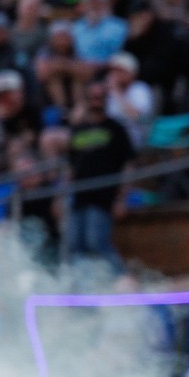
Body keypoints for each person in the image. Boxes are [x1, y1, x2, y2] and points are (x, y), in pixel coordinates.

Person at [56, 78, 132, 267]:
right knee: (74, 246)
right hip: (79, 196)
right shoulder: (78, 130)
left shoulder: (116, 129)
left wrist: (122, 198)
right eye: (92, 97)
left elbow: (128, 166)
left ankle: (120, 279)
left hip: (103, 196)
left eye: (100, 97)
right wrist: (60, 197)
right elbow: (70, 167)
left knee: (96, 242)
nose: (96, 100)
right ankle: (81, 288)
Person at [70, 0, 128, 75]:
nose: (94, 6)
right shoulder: (77, 27)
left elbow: (119, 55)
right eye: (91, 2)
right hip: (79, 71)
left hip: (109, 72)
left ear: (107, 3)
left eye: (99, 2)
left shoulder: (119, 26)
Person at [104, 52, 154, 148]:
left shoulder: (140, 89)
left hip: (134, 138)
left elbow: (138, 117)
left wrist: (117, 92)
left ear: (132, 73)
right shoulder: (107, 91)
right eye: (112, 70)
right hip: (109, 137)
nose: (114, 75)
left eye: (120, 71)